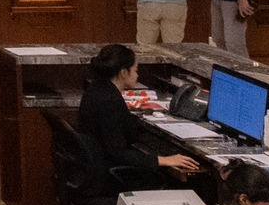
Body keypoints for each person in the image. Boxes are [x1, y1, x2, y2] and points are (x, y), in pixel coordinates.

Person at [77, 44, 200, 195]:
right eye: (135, 71)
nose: (137, 75)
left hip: (93, 168)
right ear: (123, 72)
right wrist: (164, 160)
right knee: (171, 181)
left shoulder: (97, 88)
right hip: (108, 175)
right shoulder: (109, 101)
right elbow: (118, 152)